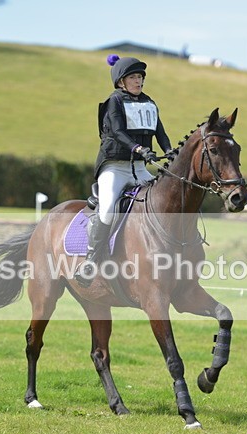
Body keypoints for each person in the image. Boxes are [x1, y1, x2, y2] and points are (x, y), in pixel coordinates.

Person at [75, 55, 173, 286]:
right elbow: (118, 132)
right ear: (121, 82)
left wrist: (169, 150)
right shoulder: (114, 102)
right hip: (115, 168)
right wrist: (140, 148)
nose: (139, 81)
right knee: (108, 208)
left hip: (139, 168)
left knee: (165, 199)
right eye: (134, 77)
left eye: (140, 77)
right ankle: (90, 260)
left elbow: (160, 131)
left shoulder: (149, 103)